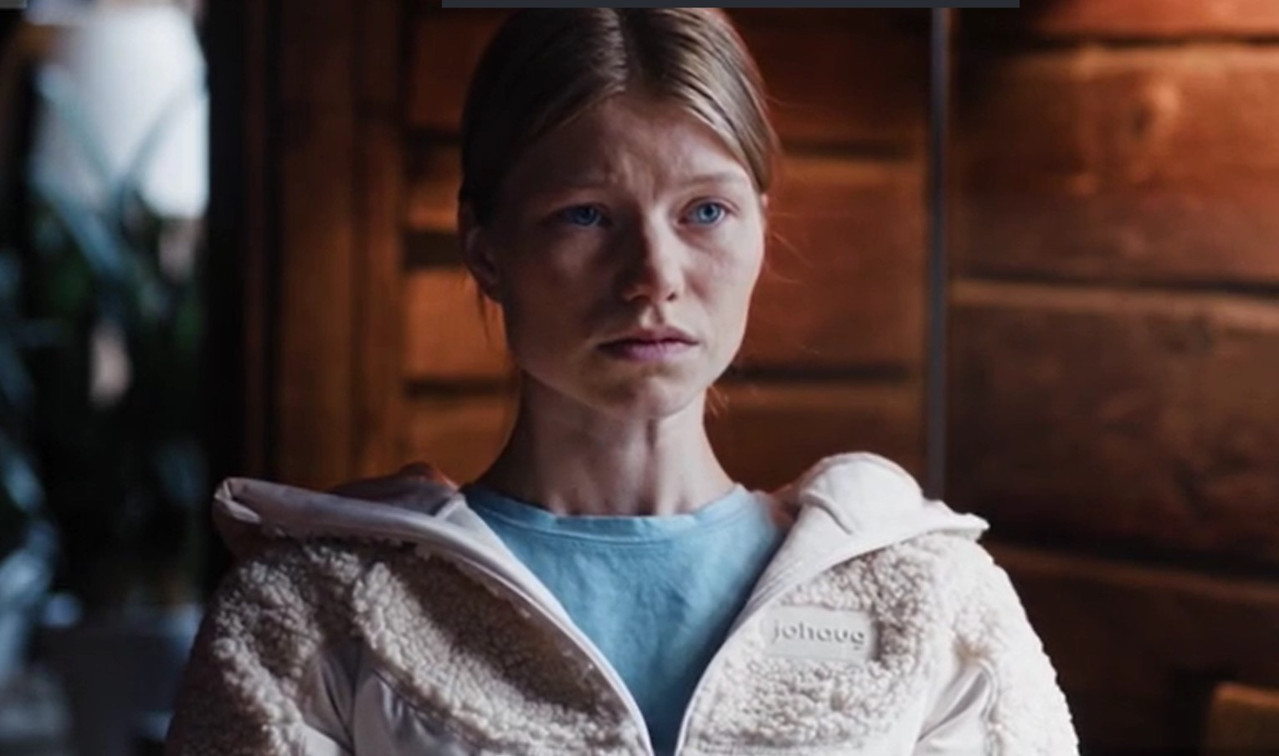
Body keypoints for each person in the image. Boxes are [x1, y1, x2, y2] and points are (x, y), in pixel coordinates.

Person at [166, 9, 1078, 755]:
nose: (653, 276)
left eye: (705, 211)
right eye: (587, 215)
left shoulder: (931, 598)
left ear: (761, 229)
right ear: (485, 247)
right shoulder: (313, 610)